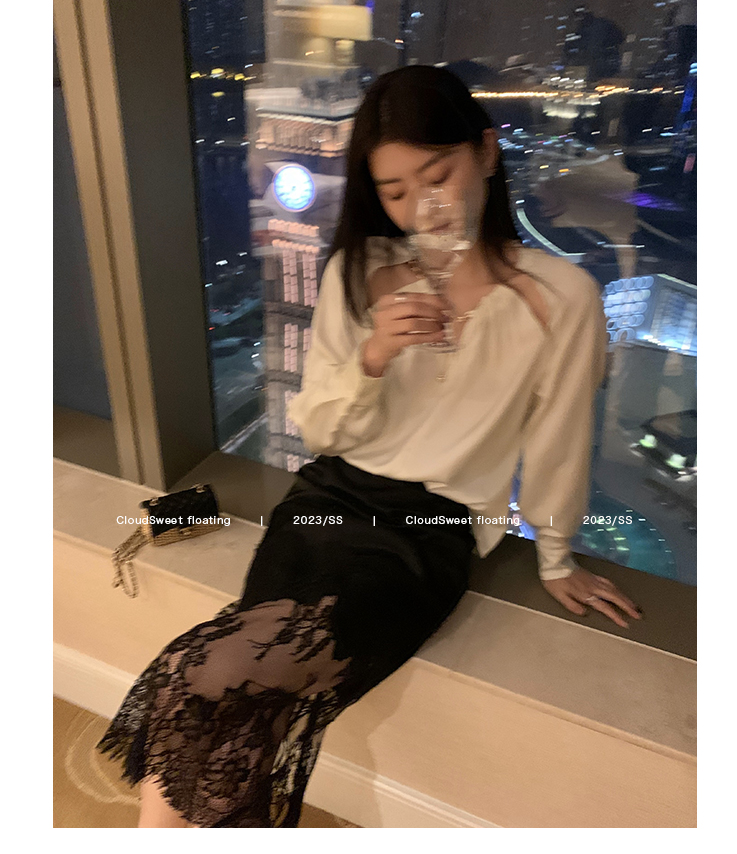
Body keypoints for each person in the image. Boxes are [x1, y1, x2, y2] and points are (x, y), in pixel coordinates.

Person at [96, 64, 642, 829]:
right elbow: (322, 432)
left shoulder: (561, 295)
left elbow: (559, 436)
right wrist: (373, 356)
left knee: (212, 674)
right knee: (231, 698)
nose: (423, 206)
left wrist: (555, 555)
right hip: (328, 501)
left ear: (486, 152)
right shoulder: (360, 271)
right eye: (395, 191)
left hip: (433, 527)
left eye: (438, 175)